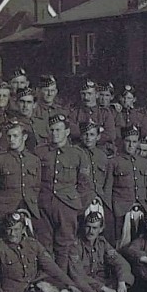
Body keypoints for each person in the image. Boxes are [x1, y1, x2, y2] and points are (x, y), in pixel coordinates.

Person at [0, 211, 98, 292]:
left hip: (34, 287)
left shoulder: (33, 244)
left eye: (16, 229)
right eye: (9, 229)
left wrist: (71, 285)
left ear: (23, 230)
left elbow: (52, 267)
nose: (12, 233)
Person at [34, 113, 94, 266]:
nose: (55, 133)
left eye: (59, 130)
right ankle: (47, 282)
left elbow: (85, 186)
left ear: (67, 132)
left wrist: (77, 208)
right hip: (43, 205)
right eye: (52, 130)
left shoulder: (78, 154)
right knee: (43, 245)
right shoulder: (40, 152)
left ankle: (63, 283)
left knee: (64, 246)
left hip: (67, 207)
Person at [0, 121, 42, 239]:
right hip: (3, 213)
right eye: (9, 136)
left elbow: (37, 187)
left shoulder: (34, 160)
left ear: (24, 137)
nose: (11, 139)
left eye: (15, 136)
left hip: (29, 212)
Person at [70, 210, 131, 292]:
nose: (91, 231)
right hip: (86, 282)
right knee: (80, 285)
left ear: (101, 229)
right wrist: (105, 289)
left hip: (101, 280)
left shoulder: (102, 243)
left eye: (94, 228)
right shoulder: (76, 245)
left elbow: (121, 263)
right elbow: (78, 275)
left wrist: (121, 282)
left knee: (128, 278)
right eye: (88, 227)